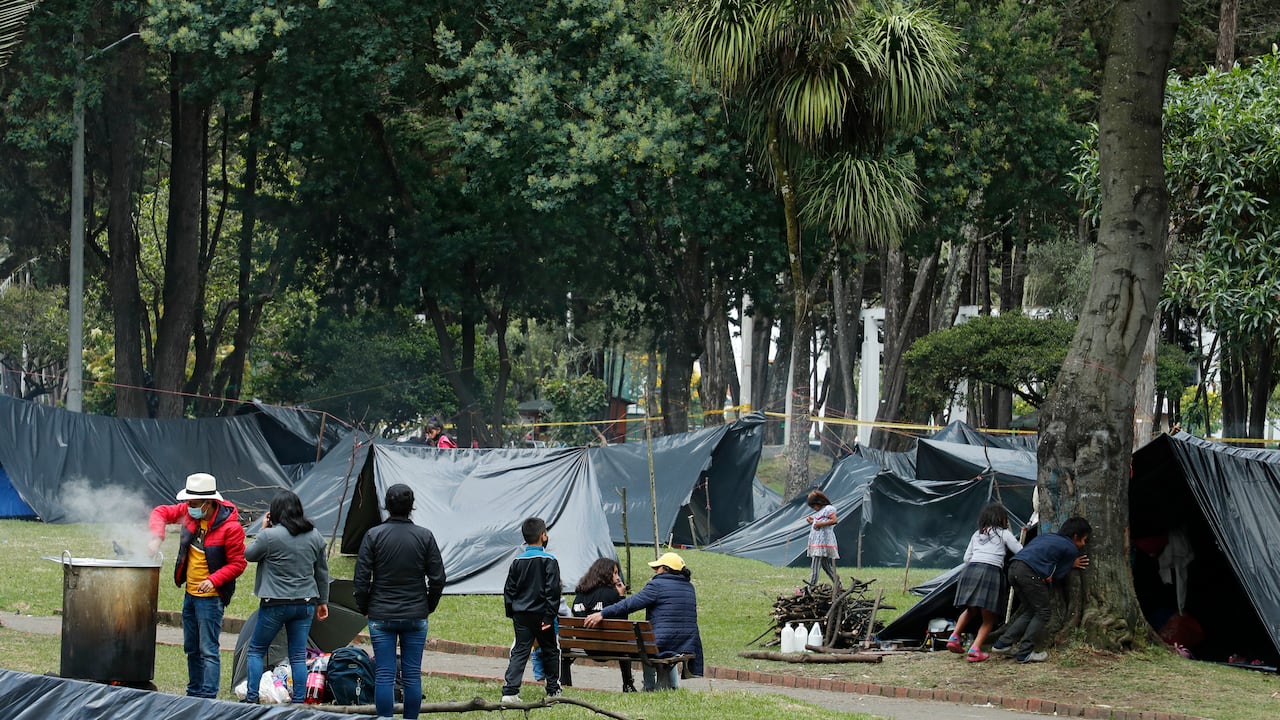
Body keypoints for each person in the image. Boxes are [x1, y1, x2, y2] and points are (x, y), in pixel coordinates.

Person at [147, 472, 247, 699]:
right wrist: (156, 537)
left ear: (208, 502)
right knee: (191, 648)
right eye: (187, 502)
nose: (187, 507)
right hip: (190, 595)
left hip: (211, 599)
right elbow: (160, 512)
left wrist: (213, 580)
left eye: (192, 503)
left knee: (208, 651)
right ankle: (193, 694)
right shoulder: (189, 513)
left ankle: (208, 697)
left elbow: (238, 564)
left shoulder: (230, 529)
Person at [353, 484, 447, 720]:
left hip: (381, 614)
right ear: (411, 506)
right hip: (416, 613)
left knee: (384, 674)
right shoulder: (425, 536)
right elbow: (438, 578)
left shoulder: (373, 535)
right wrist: (428, 605)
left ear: (386, 505)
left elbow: (361, 579)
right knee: (412, 675)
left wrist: (365, 606)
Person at [243, 490, 331, 704]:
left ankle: (252, 697)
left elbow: (249, 555)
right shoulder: (315, 536)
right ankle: (299, 700)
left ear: (274, 513)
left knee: (256, 650)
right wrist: (323, 602)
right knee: (298, 654)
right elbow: (322, 572)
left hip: (274, 603)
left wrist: (262, 530)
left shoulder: (269, 536)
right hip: (305, 603)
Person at [584, 552, 704, 690]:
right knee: (654, 642)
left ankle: (649, 686)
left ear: (665, 569)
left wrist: (603, 613)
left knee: (643, 643)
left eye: (657, 568)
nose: (655, 572)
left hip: (663, 643)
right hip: (687, 643)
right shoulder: (689, 587)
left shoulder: (657, 585)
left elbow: (630, 604)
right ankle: (673, 686)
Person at [992, 516, 1092, 663]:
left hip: (1013, 569)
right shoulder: (1070, 548)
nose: (1083, 544)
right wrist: (1071, 564)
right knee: (1043, 612)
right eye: (1083, 540)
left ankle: (1002, 644)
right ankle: (1024, 652)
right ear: (1075, 536)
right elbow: (1057, 575)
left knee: (1031, 610)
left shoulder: (1047, 536)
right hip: (1029, 574)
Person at [946, 502, 1023, 662]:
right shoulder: (1004, 534)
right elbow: (1020, 551)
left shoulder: (977, 534)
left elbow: (966, 558)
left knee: (970, 610)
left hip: (971, 571)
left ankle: (954, 637)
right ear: (1002, 519)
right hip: (990, 573)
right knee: (989, 618)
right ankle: (975, 649)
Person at [501, 517, 562, 704]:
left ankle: (509, 691)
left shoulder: (517, 561)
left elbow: (508, 590)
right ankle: (553, 689)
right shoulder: (550, 560)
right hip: (543, 616)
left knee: (520, 650)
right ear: (543, 536)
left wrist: (512, 612)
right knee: (551, 650)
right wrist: (549, 616)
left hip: (521, 615)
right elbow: (553, 590)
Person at [571, 557, 636, 692]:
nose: (618, 578)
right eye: (615, 573)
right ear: (606, 574)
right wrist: (621, 598)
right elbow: (622, 623)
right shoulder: (612, 595)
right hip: (610, 647)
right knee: (624, 642)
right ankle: (628, 684)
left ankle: (565, 681)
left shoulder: (580, 593)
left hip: (586, 646)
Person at [804, 489, 841, 591]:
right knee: (826, 567)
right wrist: (813, 521)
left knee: (815, 566)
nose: (813, 509)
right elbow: (820, 523)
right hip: (818, 542)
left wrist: (819, 524)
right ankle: (838, 585)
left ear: (819, 502)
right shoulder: (820, 512)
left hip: (822, 543)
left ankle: (810, 587)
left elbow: (834, 520)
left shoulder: (829, 509)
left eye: (813, 506)